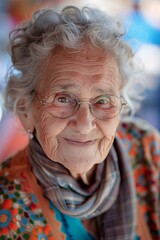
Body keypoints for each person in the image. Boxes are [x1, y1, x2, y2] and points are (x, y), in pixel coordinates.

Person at [0, 5, 159, 240]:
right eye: (63, 99)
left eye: (103, 99)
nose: (84, 124)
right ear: (26, 111)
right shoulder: (6, 204)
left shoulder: (146, 148)